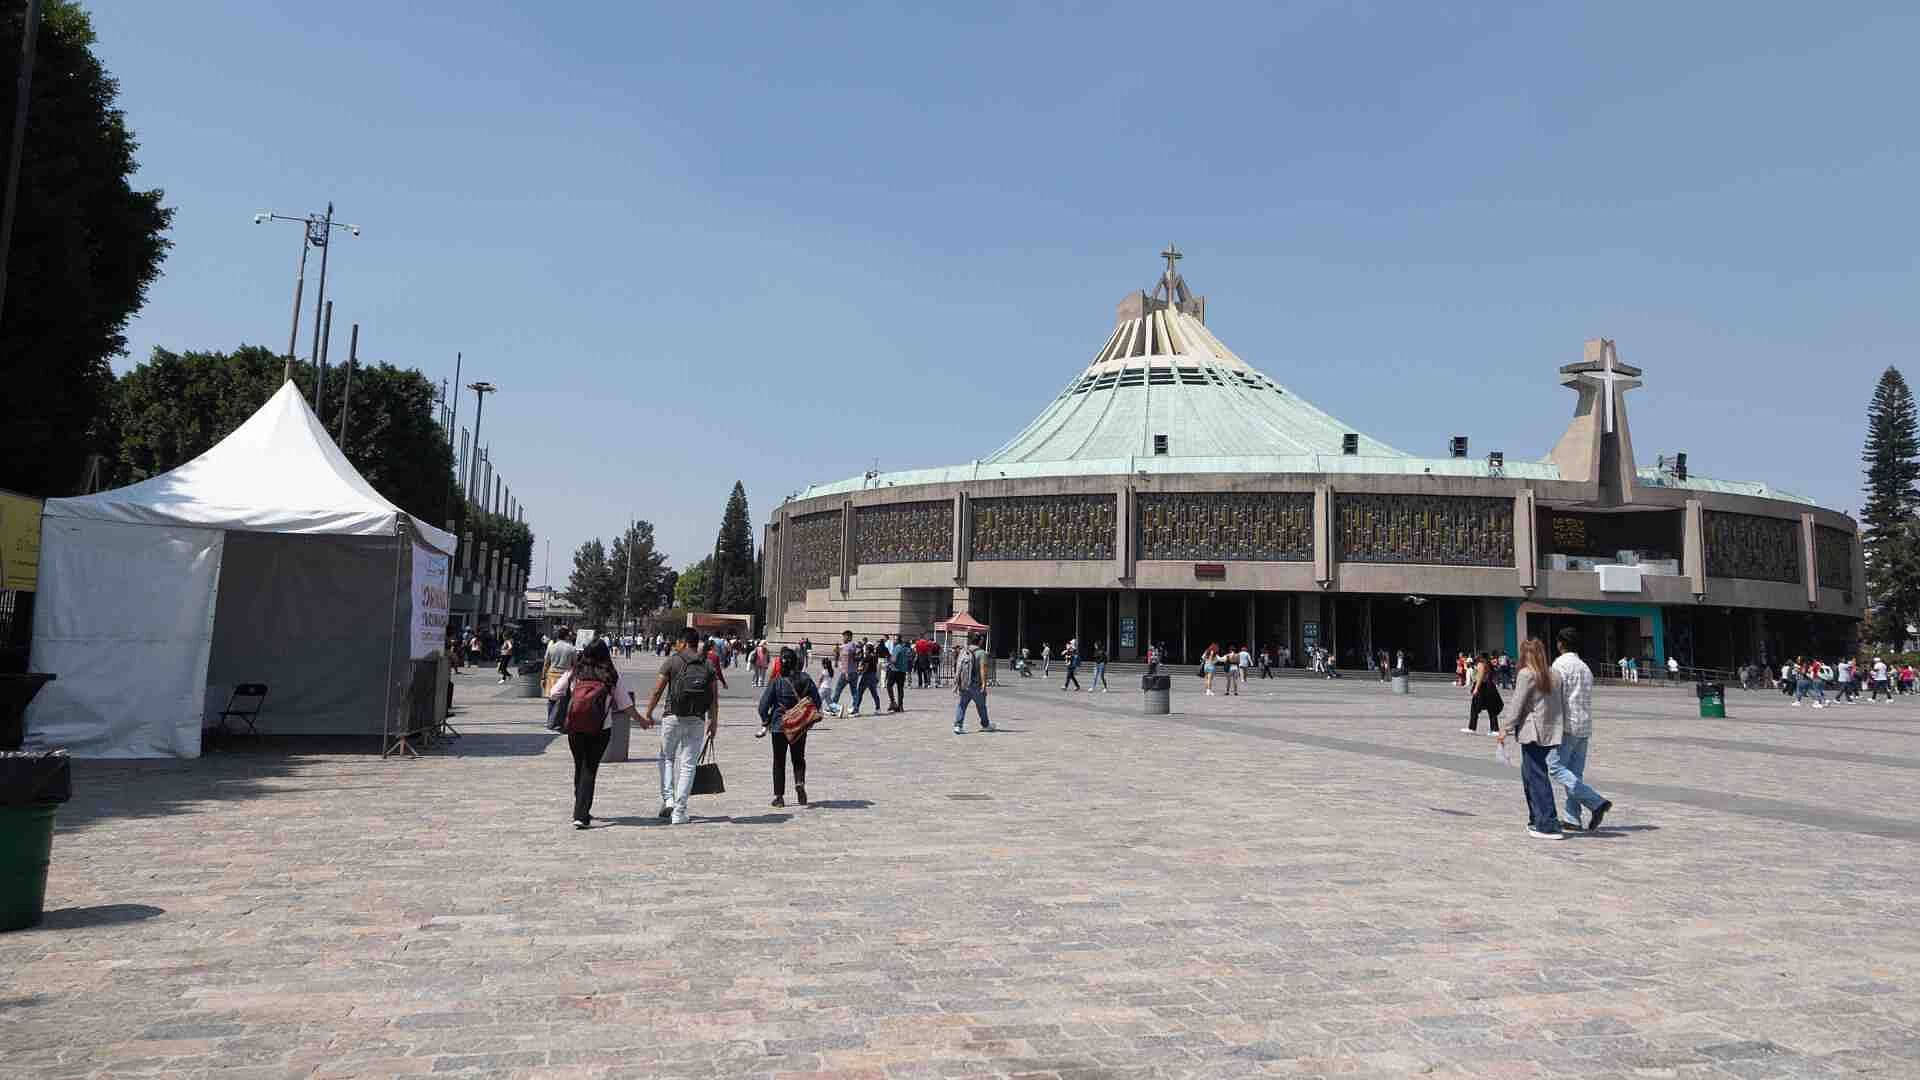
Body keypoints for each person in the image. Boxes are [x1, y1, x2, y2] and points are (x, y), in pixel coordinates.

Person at [548, 637, 651, 829]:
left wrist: (571, 697)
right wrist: (641, 721)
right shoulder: (610, 675)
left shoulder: (575, 671)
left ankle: (580, 808)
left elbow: (554, 692)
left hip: (575, 727)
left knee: (580, 766)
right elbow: (625, 704)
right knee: (590, 768)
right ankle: (581, 814)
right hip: (601, 728)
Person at [641, 627, 720, 825]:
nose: (676, 645)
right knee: (688, 765)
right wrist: (713, 721)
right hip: (697, 719)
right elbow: (714, 698)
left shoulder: (673, 661)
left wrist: (648, 712)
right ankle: (679, 811)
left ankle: (668, 798)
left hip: (672, 716)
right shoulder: (708, 664)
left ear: (684, 642)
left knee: (667, 758)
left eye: (677, 641)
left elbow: (657, 690)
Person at [1496, 637, 1566, 840]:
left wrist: (1505, 729)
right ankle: (1537, 818)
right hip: (1549, 731)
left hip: (1532, 731)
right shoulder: (1555, 674)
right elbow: (1561, 704)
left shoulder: (1527, 674)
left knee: (1536, 777)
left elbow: (1517, 704)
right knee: (1531, 775)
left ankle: (1548, 823)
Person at [1546, 627, 1613, 833]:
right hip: (1584, 725)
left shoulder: (1559, 665)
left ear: (1560, 644)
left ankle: (1596, 802)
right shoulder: (1585, 667)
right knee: (1575, 774)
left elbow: (1554, 697)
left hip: (1567, 726)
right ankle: (1572, 818)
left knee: (1555, 767)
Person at [756, 647, 820, 807]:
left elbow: (763, 706)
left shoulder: (776, 681)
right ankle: (799, 782)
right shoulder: (805, 679)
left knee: (779, 761)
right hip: (799, 725)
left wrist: (766, 720)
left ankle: (779, 798)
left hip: (779, 725)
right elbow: (817, 701)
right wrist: (807, 716)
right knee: (798, 758)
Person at [952, 633, 992, 734]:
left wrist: (958, 682)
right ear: (980, 641)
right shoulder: (982, 653)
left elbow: (958, 666)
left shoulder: (964, 651)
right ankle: (986, 725)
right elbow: (983, 669)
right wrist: (984, 684)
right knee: (981, 706)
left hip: (964, 683)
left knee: (962, 705)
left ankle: (958, 726)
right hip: (976, 685)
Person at [1463, 652, 1501, 734]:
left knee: (1474, 708)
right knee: (1491, 708)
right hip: (1489, 687)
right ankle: (1495, 729)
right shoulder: (1488, 664)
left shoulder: (1481, 664)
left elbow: (1480, 676)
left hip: (1482, 687)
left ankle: (1472, 728)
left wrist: (1476, 688)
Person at [542, 626, 578, 696]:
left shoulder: (551, 647)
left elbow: (546, 664)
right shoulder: (572, 649)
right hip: (565, 678)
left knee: (552, 698)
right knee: (564, 699)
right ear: (567, 636)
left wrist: (543, 678)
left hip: (552, 676)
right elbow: (575, 665)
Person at [887, 634, 912, 712]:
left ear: (898, 640)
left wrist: (889, 660)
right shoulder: (906, 648)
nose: (893, 641)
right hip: (903, 671)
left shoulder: (897, 648)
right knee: (900, 689)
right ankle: (900, 706)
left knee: (889, 686)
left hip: (894, 670)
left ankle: (893, 702)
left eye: (895, 639)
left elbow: (893, 660)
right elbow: (909, 657)